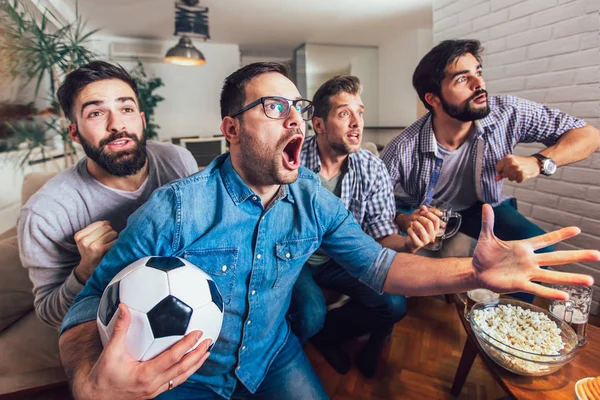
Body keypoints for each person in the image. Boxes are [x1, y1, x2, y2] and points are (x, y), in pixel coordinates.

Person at [58, 62, 597, 400]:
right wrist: (87, 380)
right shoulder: (173, 209)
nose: (295, 118)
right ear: (231, 130)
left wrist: (471, 272)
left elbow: (379, 265)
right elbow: (86, 305)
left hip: (272, 356)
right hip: (183, 375)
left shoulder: (312, 197)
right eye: (274, 107)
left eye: (299, 106)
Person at [381, 39, 600, 302]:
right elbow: (373, 204)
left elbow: (589, 135)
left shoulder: (507, 112)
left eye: (478, 72)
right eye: (462, 79)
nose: (479, 84)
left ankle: (508, 317)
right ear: (433, 99)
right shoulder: (402, 146)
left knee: (537, 245)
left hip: (482, 206)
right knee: (389, 290)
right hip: (420, 210)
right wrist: (403, 219)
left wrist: (539, 161)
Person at [17, 61, 198, 328]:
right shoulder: (45, 212)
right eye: (96, 114)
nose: (117, 124)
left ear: (142, 119)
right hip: (111, 323)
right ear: (74, 133)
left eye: (126, 109)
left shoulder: (177, 160)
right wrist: (86, 270)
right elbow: (49, 312)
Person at [289, 75, 440, 378]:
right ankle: (309, 345)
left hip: (343, 258)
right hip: (298, 259)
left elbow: (383, 236)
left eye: (360, 112)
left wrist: (410, 242)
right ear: (318, 124)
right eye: (345, 113)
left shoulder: (372, 167)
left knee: (394, 304)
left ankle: (353, 340)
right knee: (310, 315)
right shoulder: (290, 161)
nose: (357, 123)